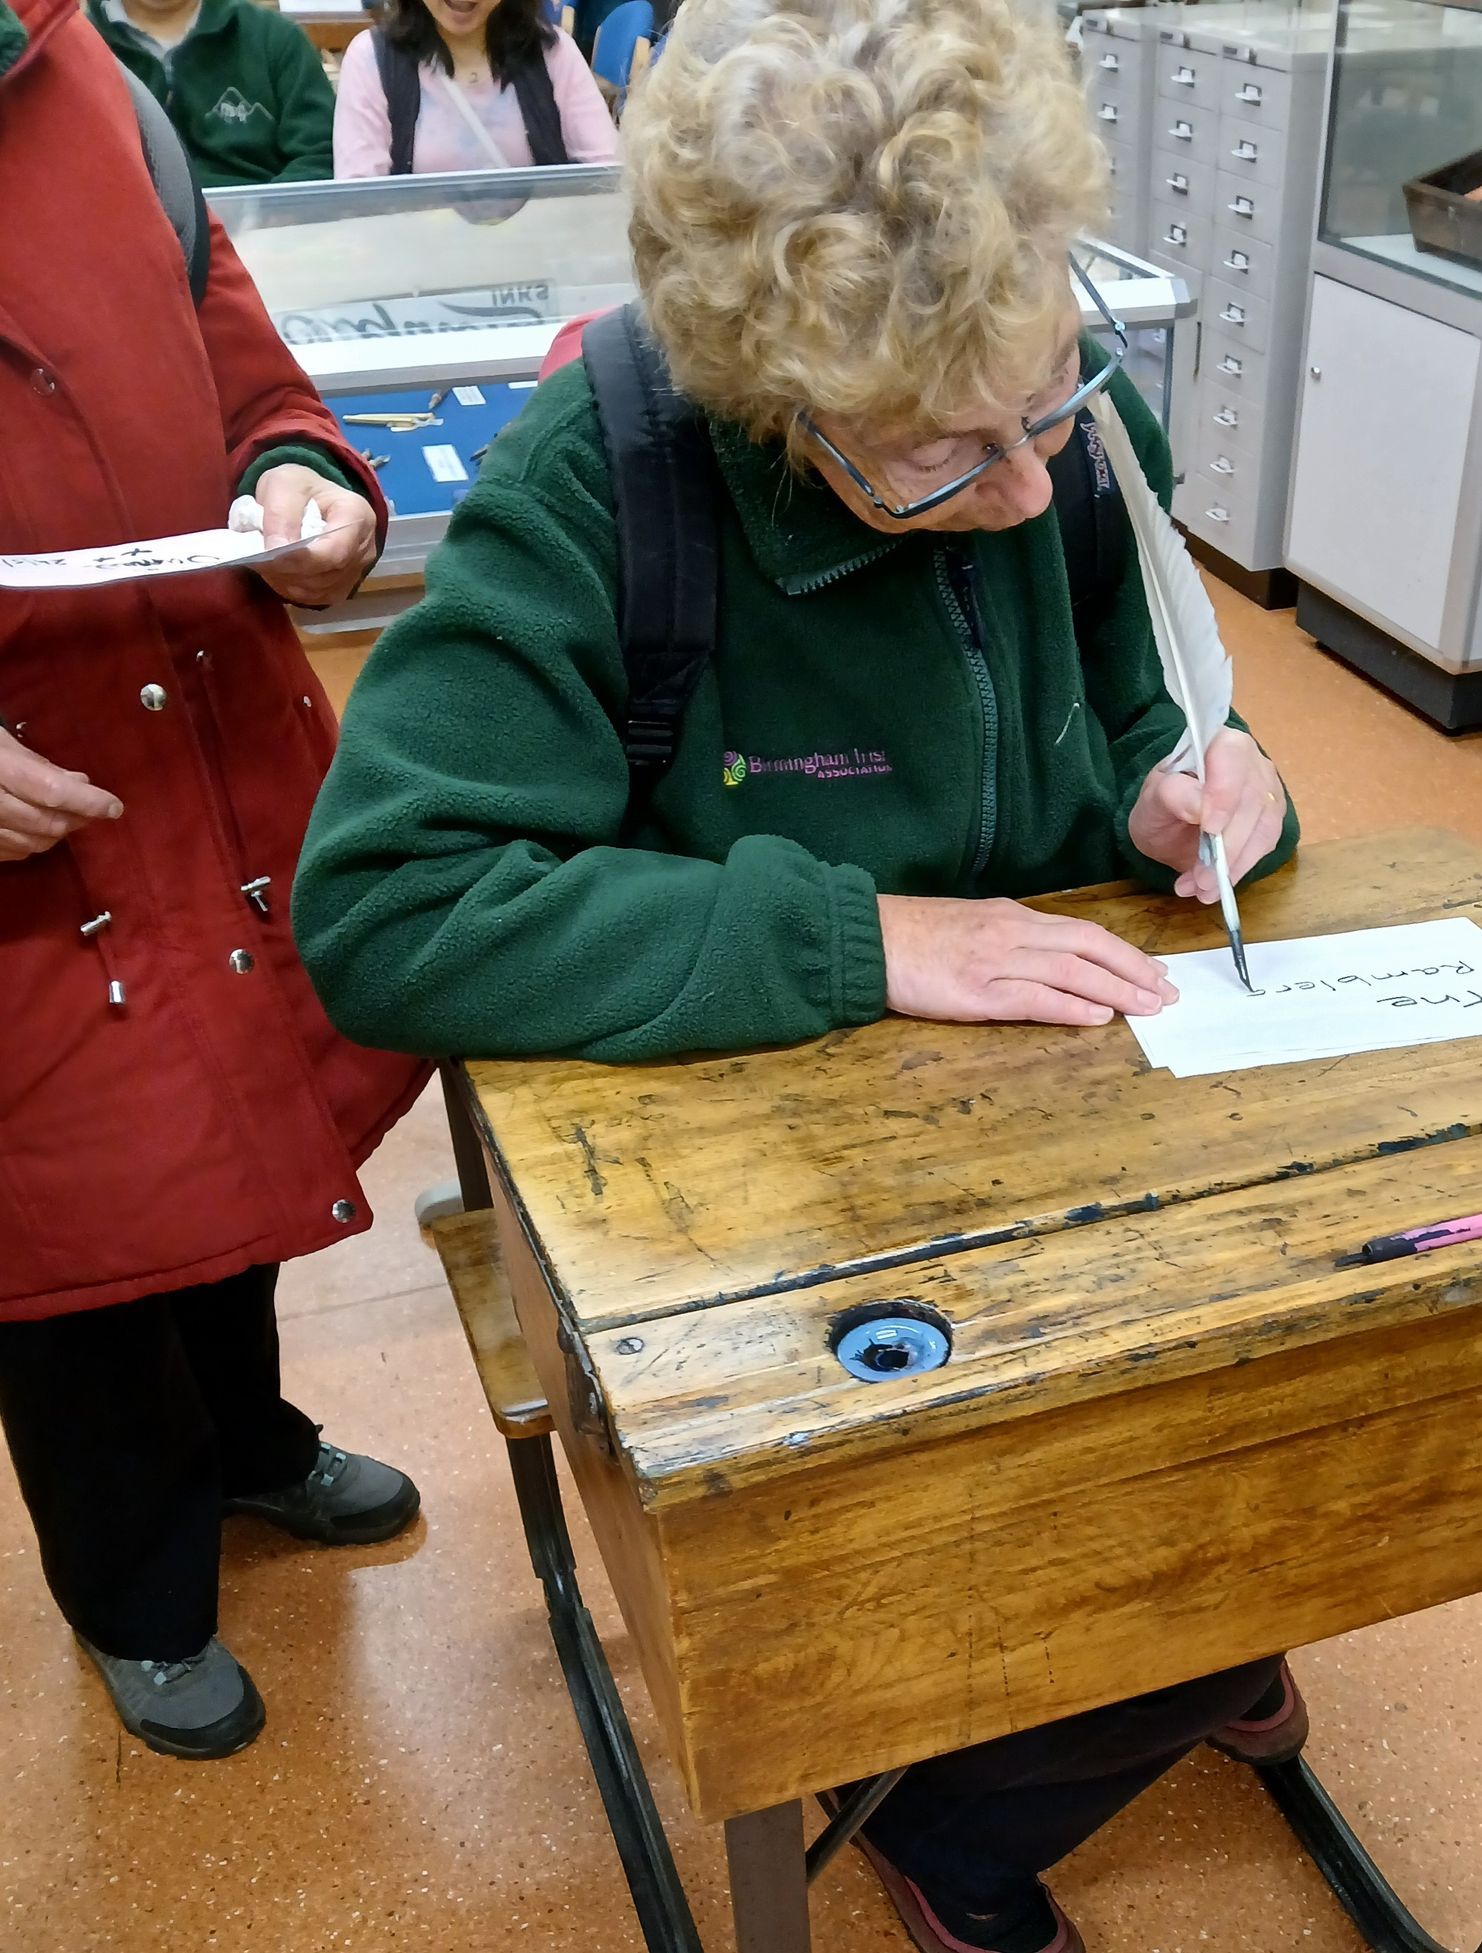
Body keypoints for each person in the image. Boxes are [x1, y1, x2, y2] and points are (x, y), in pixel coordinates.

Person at [294, 0, 1302, 1945]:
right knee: (1116, 1505)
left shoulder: (1045, 420)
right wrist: (857, 938)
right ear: (777, 401)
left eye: (1046, 403)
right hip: (750, 1187)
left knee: (1311, 1398)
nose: (1022, 486)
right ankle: (976, 1815)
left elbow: (1149, 709)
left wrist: (1210, 793)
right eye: (938, 457)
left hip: (1068, 1106)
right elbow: (389, 905)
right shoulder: (608, 488)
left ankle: (1165, 1649)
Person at [0, 0, 427, 1764]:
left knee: (238, 1140)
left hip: (210, 756)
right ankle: (134, 1585)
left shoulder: (89, 63)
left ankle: (245, 1447)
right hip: (36, 841)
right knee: (75, 1242)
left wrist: (299, 470)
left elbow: (231, 341)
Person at [332, 0, 618, 177]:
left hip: (537, 262)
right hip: (416, 264)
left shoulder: (553, 53)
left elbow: (610, 174)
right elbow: (359, 199)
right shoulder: (371, 58)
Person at [85, 0, 337, 186]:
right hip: (125, 236)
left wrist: (266, 219)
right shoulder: (71, 45)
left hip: (262, 236)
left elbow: (318, 156)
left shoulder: (275, 37)